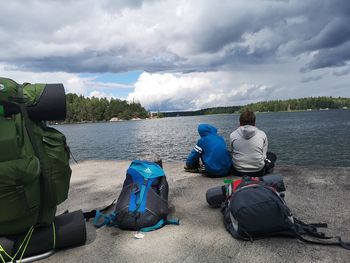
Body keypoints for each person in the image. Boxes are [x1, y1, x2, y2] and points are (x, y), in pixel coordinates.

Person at [230, 109, 276, 177]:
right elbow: (264, 155)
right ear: (254, 123)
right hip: (258, 171)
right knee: (272, 155)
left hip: (238, 171)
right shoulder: (262, 134)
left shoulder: (233, 135)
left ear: (240, 123)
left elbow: (232, 152)